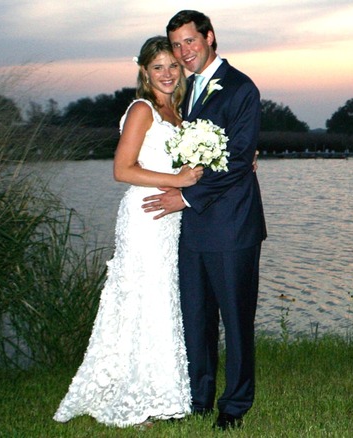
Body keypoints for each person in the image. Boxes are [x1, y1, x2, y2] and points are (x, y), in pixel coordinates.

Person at [53, 36, 202, 428]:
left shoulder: (178, 113)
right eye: (158, 68)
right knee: (142, 300)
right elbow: (122, 169)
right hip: (145, 217)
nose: (167, 73)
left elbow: (189, 168)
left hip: (169, 219)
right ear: (144, 72)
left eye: (173, 65)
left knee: (161, 299)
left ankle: (158, 393)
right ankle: (132, 400)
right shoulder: (142, 109)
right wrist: (177, 178)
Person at [142, 9, 267, 430]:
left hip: (232, 225)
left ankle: (234, 405)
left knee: (235, 320)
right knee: (196, 317)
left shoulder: (240, 88)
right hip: (191, 229)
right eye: (176, 45)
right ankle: (199, 397)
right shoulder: (183, 90)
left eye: (190, 42)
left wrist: (187, 198)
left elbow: (236, 160)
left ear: (210, 37)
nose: (183, 52)